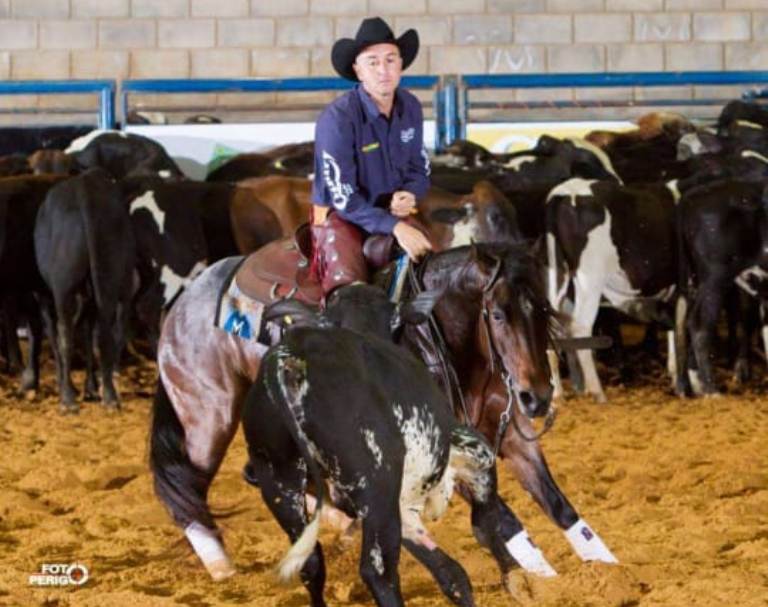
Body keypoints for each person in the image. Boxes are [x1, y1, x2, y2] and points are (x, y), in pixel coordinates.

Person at [311, 16, 433, 295]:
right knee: (351, 297)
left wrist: (410, 194)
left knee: (437, 272)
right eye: (373, 62)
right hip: (340, 217)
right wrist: (396, 227)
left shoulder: (410, 107)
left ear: (401, 65)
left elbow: (419, 168)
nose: (383, 71)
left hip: (390, 212)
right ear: (358, 70)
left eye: (391, 60)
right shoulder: (337, 119)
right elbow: (344, 199)